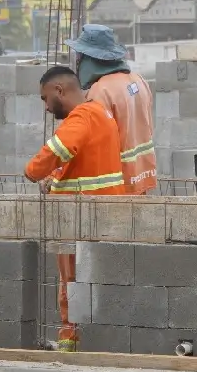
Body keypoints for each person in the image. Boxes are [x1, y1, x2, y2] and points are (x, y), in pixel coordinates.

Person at [24, 65, 125, 353]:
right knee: (86, 282)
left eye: (45, 98)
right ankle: (79, 341)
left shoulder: (81, 117)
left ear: (59, 90)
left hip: (80, 218)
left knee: (72, 282)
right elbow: (82, 160)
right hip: (99, 214)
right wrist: (55, 180)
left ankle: (72, 344)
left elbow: (58, 150)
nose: (45, 107)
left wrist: (32, 172)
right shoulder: (100, 113)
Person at [65, 24, 157, 195]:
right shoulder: (138, 80)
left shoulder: (101, 90)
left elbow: (95, 142)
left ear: (90, 59)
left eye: (80, 56)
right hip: (142, 175)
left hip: (118, 181)